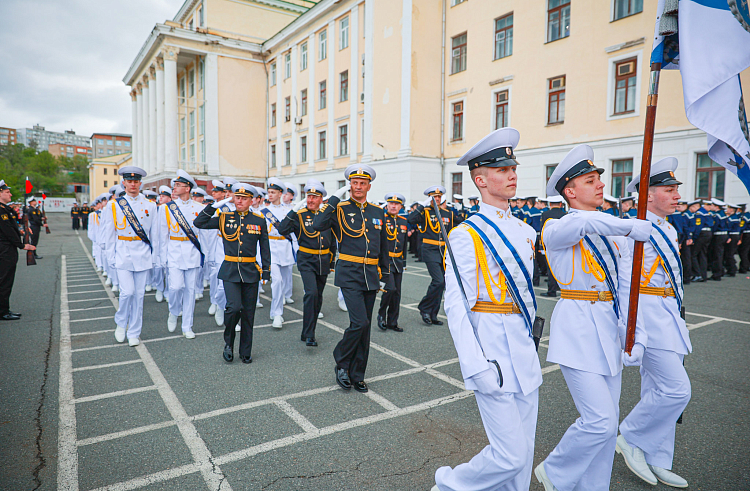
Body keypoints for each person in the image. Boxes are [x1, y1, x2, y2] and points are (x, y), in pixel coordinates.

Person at [535, 144, 652, 491]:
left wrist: (637, 335)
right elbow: (582, 223)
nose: (601, 184)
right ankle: (554, 472)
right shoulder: (557, 227)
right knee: (599, 421)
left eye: (599, 178)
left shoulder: (612, 232)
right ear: (570, 191)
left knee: (608, 421)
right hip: (577, 332)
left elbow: (627, 290)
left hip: (610, 328)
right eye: (590, 180)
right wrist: (628, 226)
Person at [432, 128, 541, 491]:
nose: (512, 174)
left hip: (523, 347)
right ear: (480, 179)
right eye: (501, 169)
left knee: (523, 450)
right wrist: (473, 363)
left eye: (513, 167)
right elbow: (456, 303)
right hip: (490, 347)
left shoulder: (526, 231)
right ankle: (449, 486)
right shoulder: (466, 234)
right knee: (509, 453)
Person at [616, 157, 692, 488]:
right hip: (648, 315)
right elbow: (623, 282)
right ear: (647, 196)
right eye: (668, 189)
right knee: (677, 390)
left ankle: (657, 457)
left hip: (667, 312)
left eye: (676, 189)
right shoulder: (635, 228)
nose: (677, 195)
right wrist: (631, 328)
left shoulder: (668, 228)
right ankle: (630, 436)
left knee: (657, 388)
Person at [312, 164, 389, 393]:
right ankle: (341, 362)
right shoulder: (340, 208)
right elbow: (318, 225)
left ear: (368, 186)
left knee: (365, 330)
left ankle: (358, 374)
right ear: (350, 185)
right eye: (354, 183)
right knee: (360, 322)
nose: (358, 186)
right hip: (349, 272)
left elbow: (382, 245)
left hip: (371, 274)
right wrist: (334, 200)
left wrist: (386, 275)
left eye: (362, 183)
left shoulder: (377, 211)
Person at [195, 183, 270, 363]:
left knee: (248, 313)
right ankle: (228, 343)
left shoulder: (259, 220)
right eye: (237, 197)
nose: (240, 201)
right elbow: (199, 222)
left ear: (251, 201)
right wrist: (216, 204)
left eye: (244, 198)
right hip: (230, 270)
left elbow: (265, 248)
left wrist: (266, 270)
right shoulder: (224, 217)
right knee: (233, 307)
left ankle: (245, 351)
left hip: (251, 270)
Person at [102, 167, 157, 346]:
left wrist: (155, 256)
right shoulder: (114, 205)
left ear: (140, 183)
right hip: (123, 252)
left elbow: (154, 234)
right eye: (129, 181)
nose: (132, 184)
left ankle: (134, 331)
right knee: (127, 293)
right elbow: (108, 234)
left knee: (139, 295)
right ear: (123, 183)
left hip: (142, 252)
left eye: (136, 181)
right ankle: (121, 322)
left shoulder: (150, 205)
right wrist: (110, 257)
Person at [277, 179, 335, 346]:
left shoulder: (327, 216)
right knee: (311, 293)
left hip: (324, 260)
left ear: (321, 199)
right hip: (306, 260)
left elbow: (332, 242)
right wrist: (293, 211)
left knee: (318, 297)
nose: (310, 200)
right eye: (308, 196)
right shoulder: (300, 215)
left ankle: (307, 330)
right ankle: (310, 334)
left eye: (314, 197)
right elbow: (282, 230)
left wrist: (332, 263)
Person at [156, 170, 205, 339]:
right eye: (174, 185)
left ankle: (187, 326)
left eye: (178, 185)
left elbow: (204, 235)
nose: (174, 188)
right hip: (174, 251)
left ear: (188, 188)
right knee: (176, 287)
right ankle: (174, 311)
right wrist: (162, 258)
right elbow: (162, 235)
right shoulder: (166, 209)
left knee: (190, 291)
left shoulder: (199, 208)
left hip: (192, 252)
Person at [408, 185, 459, 325]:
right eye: (433, 197)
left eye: (438, 196)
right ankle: (424, 308)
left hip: (443, 251)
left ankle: (433, 313)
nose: (436, 199)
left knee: (442, 284)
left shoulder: (447, 213)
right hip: (429, 249)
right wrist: (421, 206)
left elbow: (461, 224)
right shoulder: (424, 212)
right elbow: (411, 220)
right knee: (438, 281)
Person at [260, 177, 296, 328]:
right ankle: (277, 313)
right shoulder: (262, 212)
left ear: (280, 193)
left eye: (273, 192)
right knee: (277, 281)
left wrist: (296, 250)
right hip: (270, 248)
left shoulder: (288, 211)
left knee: (285, 281)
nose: (270, 195)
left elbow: (294, 234)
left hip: (285, 247)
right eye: (269, 192)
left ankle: (276, 310)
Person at [0, 180, 36, 321]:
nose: (10, 194)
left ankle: (4, 309)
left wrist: (22, 231)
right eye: (7, 192)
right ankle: (3, 311)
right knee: (4, 281)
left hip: (8, 249)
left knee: (6, 280)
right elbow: (7, 230)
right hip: (5, 249)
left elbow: (12, 227)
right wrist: (22, 245)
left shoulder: (5, 209)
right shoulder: (1, 210)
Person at [377, 193, 408, 333]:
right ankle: (381, 315)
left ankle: (392, 321)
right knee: (390, 289)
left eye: (396, 204)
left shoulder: (403, 221)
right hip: (385, 260)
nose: (393, 206)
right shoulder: (381, 219)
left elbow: (404, 243)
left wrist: (404, 261)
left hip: (398, 261)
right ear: (387, 205)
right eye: (391, 204)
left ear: (401, 206)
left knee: (397, 294)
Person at [539, 196, 566, 298]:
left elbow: (543, 231)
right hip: (563, 244)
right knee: (563, 268)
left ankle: (551, 291)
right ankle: (563, 290)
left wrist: (542, 246)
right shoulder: (564, 215)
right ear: (560, 204)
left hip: (550, 244)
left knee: (551, 268)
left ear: (550, 204)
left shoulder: (545, 214)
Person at [690, 199, 713, 282]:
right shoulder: (707, 213)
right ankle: (703, 275)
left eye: (691, 208)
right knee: (703, 254)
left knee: (693, 254)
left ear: (695, 206)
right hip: (708, 233)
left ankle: (697, 274)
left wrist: (694, 238)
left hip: (702, 234)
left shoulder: (699, 213)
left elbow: (698, 227)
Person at [723, 203, 741, 277]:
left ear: (731, 210)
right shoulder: (735, 217)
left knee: (729, 253)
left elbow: (728, 227)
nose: (727, 210)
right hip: (735, 235)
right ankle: (732, 268)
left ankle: (732, 270)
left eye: (728, 209)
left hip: (732, 236)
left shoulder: (732, 218)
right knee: (730, 253)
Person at [738, 204, 750, 273]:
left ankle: (744, 267)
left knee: (743, 251)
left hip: (747, 234)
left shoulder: (746, 216)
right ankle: (747, 266)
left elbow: (742, 226)